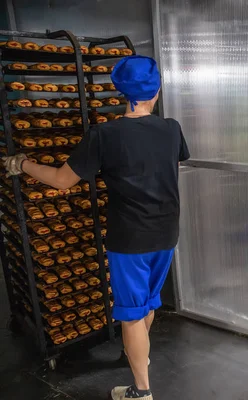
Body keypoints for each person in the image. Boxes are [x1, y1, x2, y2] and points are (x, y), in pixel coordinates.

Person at [3, 55, 190, 400]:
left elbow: (62, 180)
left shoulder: (104, 135)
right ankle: (138, 354)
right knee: (148, 303)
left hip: (130, 238)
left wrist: (24, 163)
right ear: (156, 90)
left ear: (121, 91)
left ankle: (141, 392)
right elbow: (168, 173)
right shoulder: (171, 129)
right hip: (166, 231)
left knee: (132, 315)